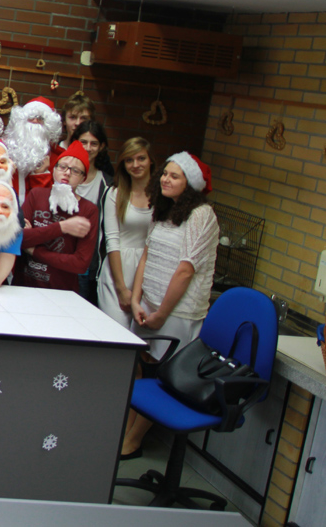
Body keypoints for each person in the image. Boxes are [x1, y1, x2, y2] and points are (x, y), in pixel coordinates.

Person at [121, 152, 219, 460]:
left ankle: (133, 441)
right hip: (147, 306)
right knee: (140, 369)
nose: (165, 179)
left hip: (176, 314)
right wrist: (136, 300)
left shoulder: (201, 215)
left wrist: (161, 314)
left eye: (174, 176)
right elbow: (147, 255)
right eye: (165, 173)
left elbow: (186, 270)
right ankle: (124, 432)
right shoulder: (163, 210)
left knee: (163, 378)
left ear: (190, 184)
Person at [18, 141, 99, 293]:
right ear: (54, 169)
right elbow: (18, 238)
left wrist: (34, 251)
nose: (67, 173)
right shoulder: (36, 195)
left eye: (75, 171)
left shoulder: (88, 210)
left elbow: (80, 264)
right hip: (24, 285)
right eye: (62, 167)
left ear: (83, 179)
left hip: (62, 291)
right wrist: (62, 227)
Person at [98, 137, 155, 328]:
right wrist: (121, 289)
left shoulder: (161, 197)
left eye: (141, 158)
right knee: (116, 330)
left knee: (141, 335)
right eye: (129, 160)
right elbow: (112, 241)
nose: (135, 165)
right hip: (118, 270)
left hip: (149, 270)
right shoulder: (115, 194)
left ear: (151, 161)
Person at [69, 119, 114, 304]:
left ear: (102, 146)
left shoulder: (108, 183)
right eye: (83, 142)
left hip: (88, 263)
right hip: (60, 255)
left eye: (94, 143)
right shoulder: (63, 175)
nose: (88, 148)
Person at [0, 96, 62, 202]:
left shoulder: (57, 159)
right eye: (31, 116)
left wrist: (41, 175)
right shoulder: (1, 148)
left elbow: (47, 202)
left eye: (41, 118)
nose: (35, 121)